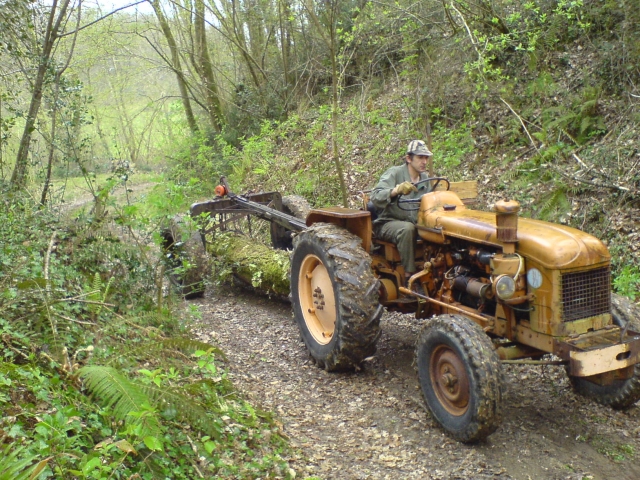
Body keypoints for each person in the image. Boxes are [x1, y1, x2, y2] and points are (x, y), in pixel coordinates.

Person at [370, 140, 433, 284]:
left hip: (415, 222)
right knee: (407, 229)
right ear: (409, 159)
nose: (424, 161)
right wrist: (396, 190)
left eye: (426, 158)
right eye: (420, 157)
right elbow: (376, 196)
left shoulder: (425, 179)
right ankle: (409, 277)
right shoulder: (395, 173)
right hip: (388, 223)